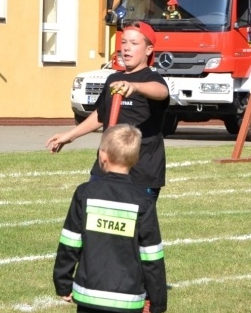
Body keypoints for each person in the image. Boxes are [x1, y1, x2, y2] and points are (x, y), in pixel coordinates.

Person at [53, 124, 167, 313]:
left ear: (102, 155)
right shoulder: (143, 201)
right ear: (136, 160)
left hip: (89, 294)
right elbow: (151, 255)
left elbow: (70, 242)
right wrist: (157, 299)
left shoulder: (84, 193)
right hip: (126, 300)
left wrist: (63, 283)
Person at [46, 21, 170, 200]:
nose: (126, 48)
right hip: (106, 164)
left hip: (141, 170)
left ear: (149, 49)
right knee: (94, 217)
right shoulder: (113, 78)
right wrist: (70, 135)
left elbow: (161, 92)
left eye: (134, 44)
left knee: (134, 225)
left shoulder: (151, 79)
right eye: (124, 42)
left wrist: (134, 87)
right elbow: (100, 115)